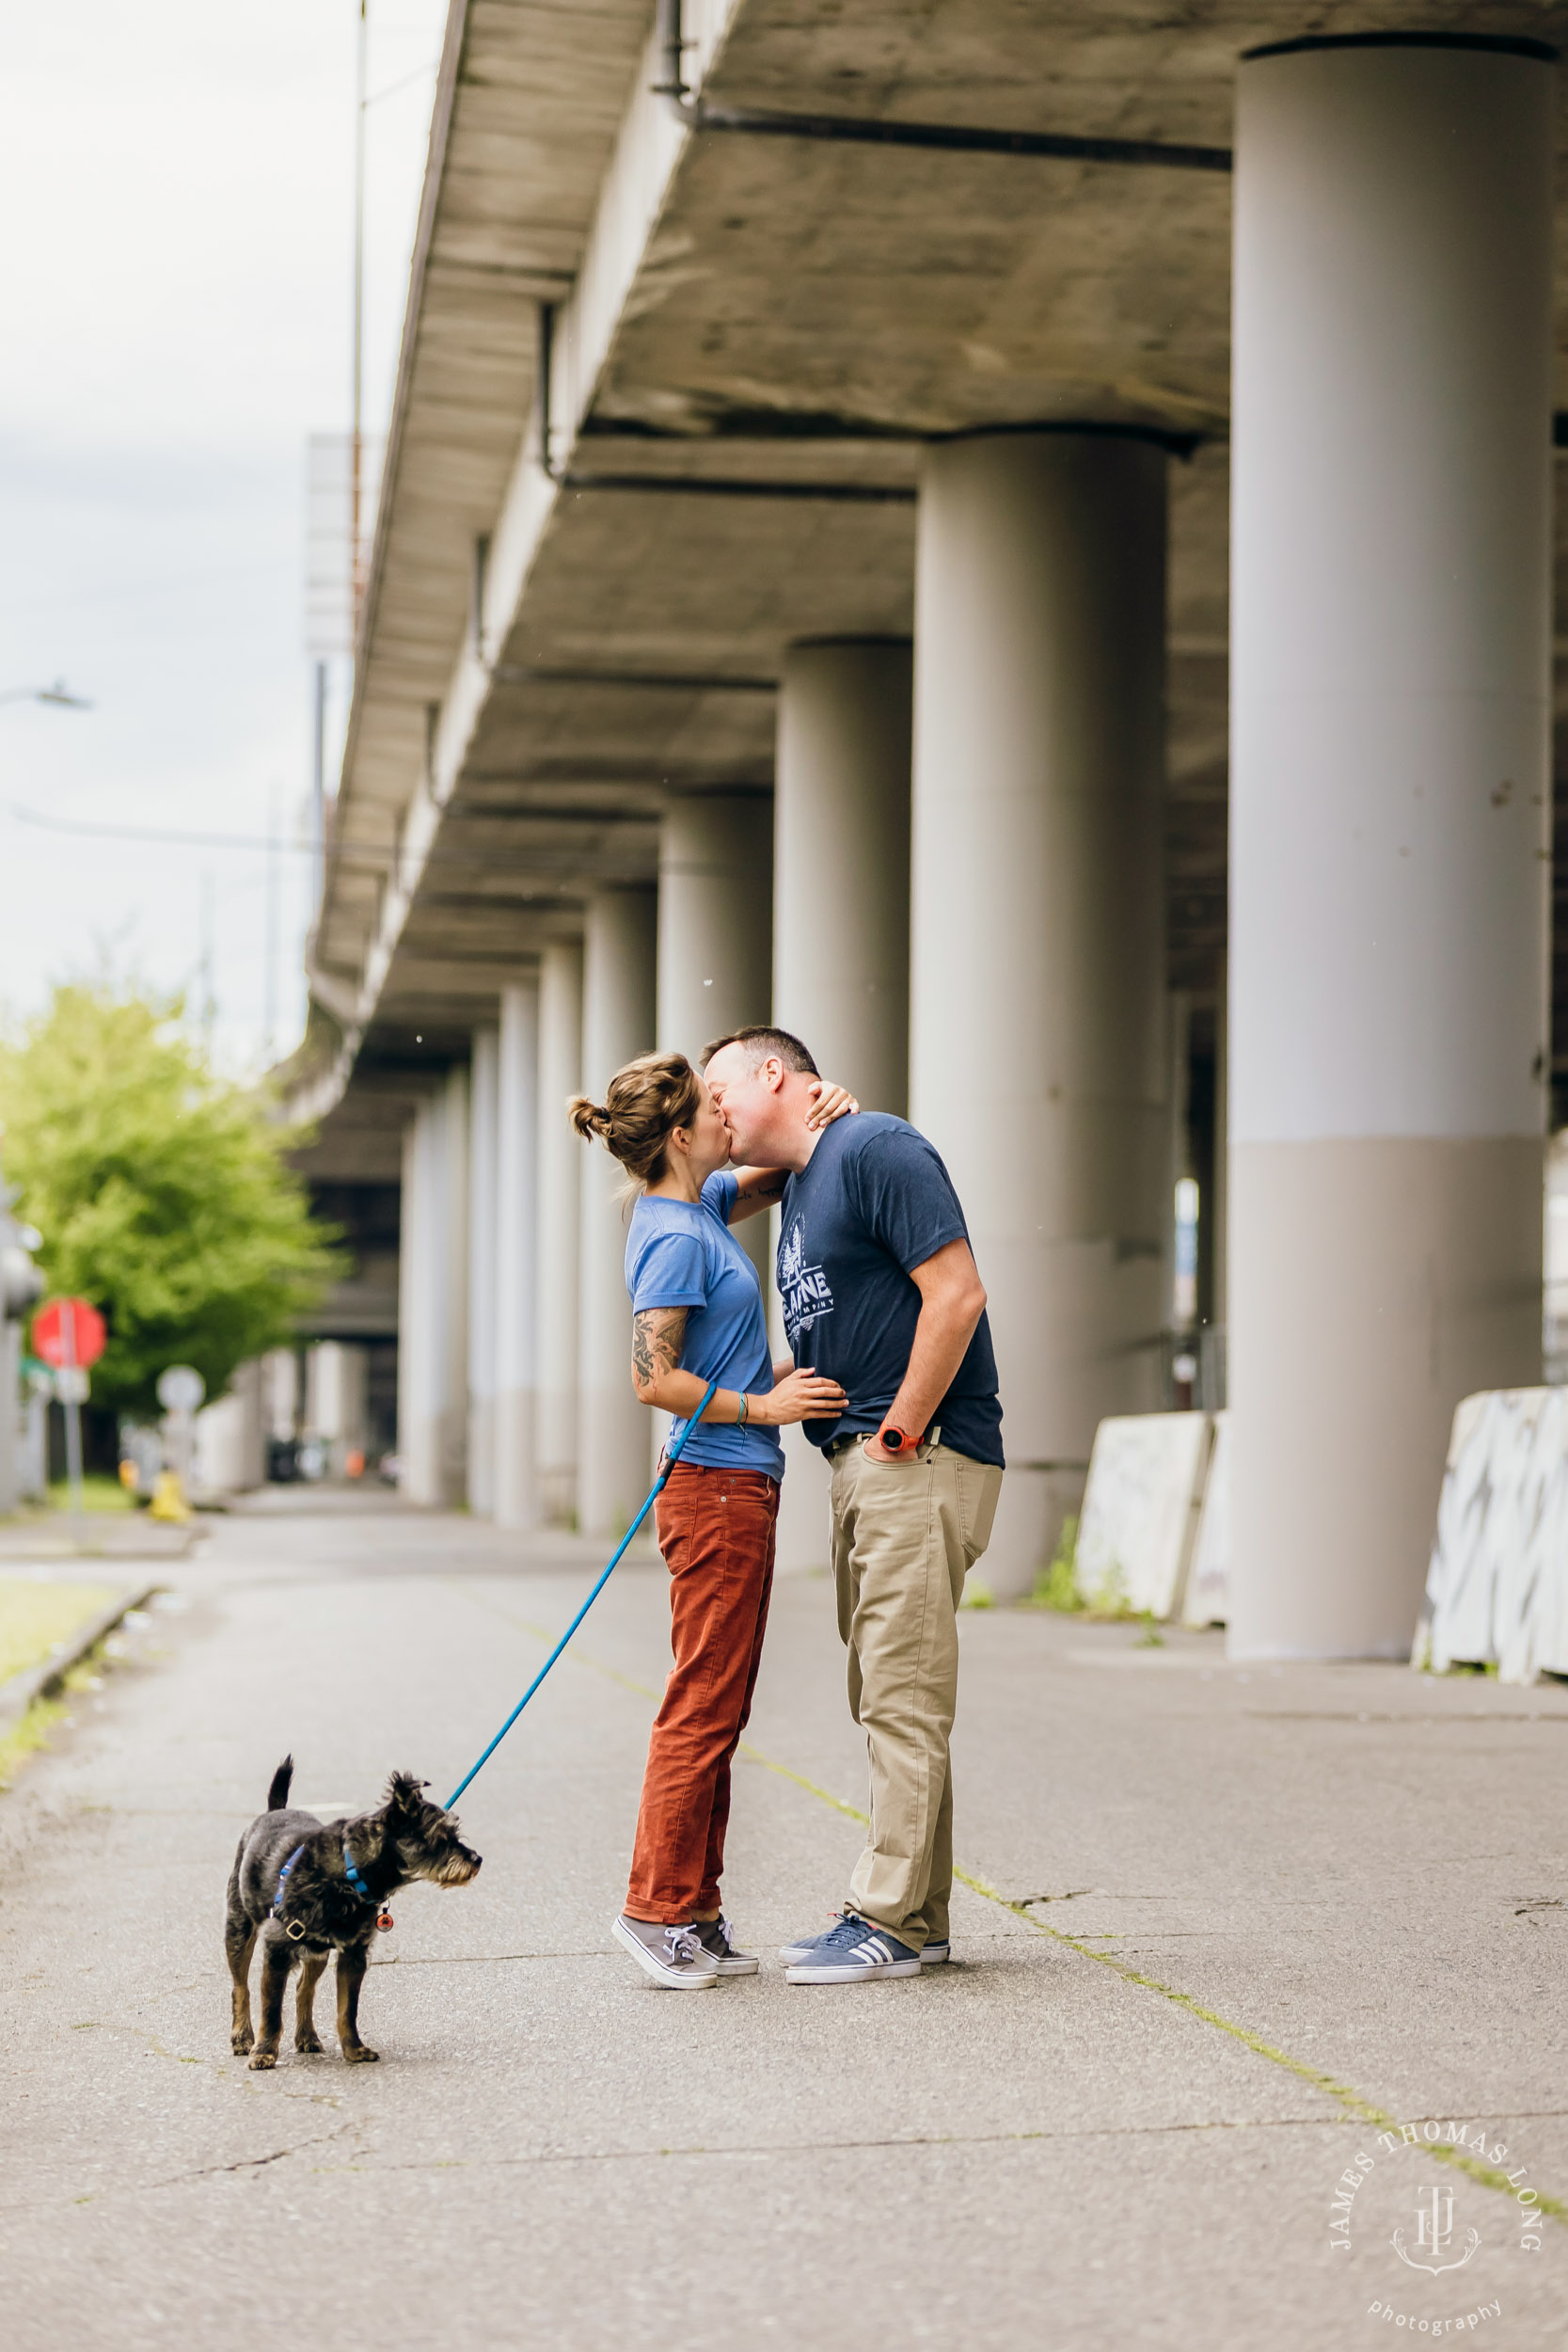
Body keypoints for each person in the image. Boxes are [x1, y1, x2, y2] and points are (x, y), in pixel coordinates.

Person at [702, 1025, 1004, 1987]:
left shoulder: (875, 1148)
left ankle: (886, 1917)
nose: (711, 1115)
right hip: (866, 1462)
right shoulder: (802, 1184)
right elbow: (697, 1185)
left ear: (775, 1073)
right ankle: (918, 1915)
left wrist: (898, 1434)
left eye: (720, 1093)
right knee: (885, 1693)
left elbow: (954, 1296)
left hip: (912, 1456)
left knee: (901, 1699)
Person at [570, 1050, 854, 1990]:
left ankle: (695, 1910)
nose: (728, 1114)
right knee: (700, 1706)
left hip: (734, 1485)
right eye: (710, 1107)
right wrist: (762, 1406)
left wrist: (827, 1108)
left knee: (719, 1706)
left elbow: (777, 1167)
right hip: (714, 1483)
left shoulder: (698, 1203)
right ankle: (654, 1911)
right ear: (682, 1136)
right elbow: (653, 1377)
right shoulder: (671, 1233)